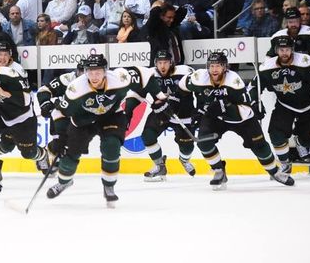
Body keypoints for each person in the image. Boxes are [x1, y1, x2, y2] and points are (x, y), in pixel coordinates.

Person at [46, 54, 167, 207]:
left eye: (97, 72)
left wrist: (160, 97)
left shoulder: (120, 78)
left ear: (105, 71)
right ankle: (63, 182)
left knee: (111, 146)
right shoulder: (76, 88)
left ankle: (109, 186)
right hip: (82, 121)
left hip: (111, 117)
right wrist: (61, 137)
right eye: (90, 72)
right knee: (71, 153)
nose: (94, 76)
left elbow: (145, 75)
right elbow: (60, 112)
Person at [177, 52, 295, 189]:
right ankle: (219, 170)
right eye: (212, 66)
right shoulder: (198, 78)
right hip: (215, 117)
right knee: (203, 142)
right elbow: (182, 86)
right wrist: (186, 105)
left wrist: (222, 106)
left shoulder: (234, 82)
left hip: (241, 118)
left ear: (225, 67)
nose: (215, 69)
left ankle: (275, 172)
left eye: (218, 66)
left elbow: (245, 110)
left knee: (260, 146)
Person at [0, 51, 49, 195]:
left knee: (28, 153)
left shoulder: (10, 74)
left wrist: (5, 94)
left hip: (22, 119)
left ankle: (42, 155)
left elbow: (25, 100)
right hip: (2, 116)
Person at [252, 36, 310, 173]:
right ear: (276, 50)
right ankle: (285, 162)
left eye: (287, 49)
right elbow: (255, 86)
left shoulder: (304, 62)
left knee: (309, 139)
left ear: (292, 50)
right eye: (281, 49)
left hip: (309, 104)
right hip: (285, 104)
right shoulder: (267, 67)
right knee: (275, 133)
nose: (284, 53)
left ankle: (301, 141)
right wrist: (255, 102)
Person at [125, 50, 196, 181]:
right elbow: (137, 95)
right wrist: (128, 111)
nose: (162, 66)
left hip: (183, 114)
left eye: (166, 63)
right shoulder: (149, 75)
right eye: (160, 63)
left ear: (172, 63)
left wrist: (201, 110)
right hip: (161, 113)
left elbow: (199, 87)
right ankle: (159, 166)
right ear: (155, 63)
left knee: (187, 147)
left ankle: (184, 160)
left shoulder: (184, 71)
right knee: (147, 135)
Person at [37, 60, 87, 176]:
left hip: (81, 117)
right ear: (77, 71)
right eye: (81, 72)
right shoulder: (67, 79)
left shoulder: (97, 80)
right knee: (60, 142)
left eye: (87, 72)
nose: (84, 76)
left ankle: (53, 153)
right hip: (62, 114)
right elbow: (44, 90)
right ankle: (50, 152)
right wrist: (45, 104)